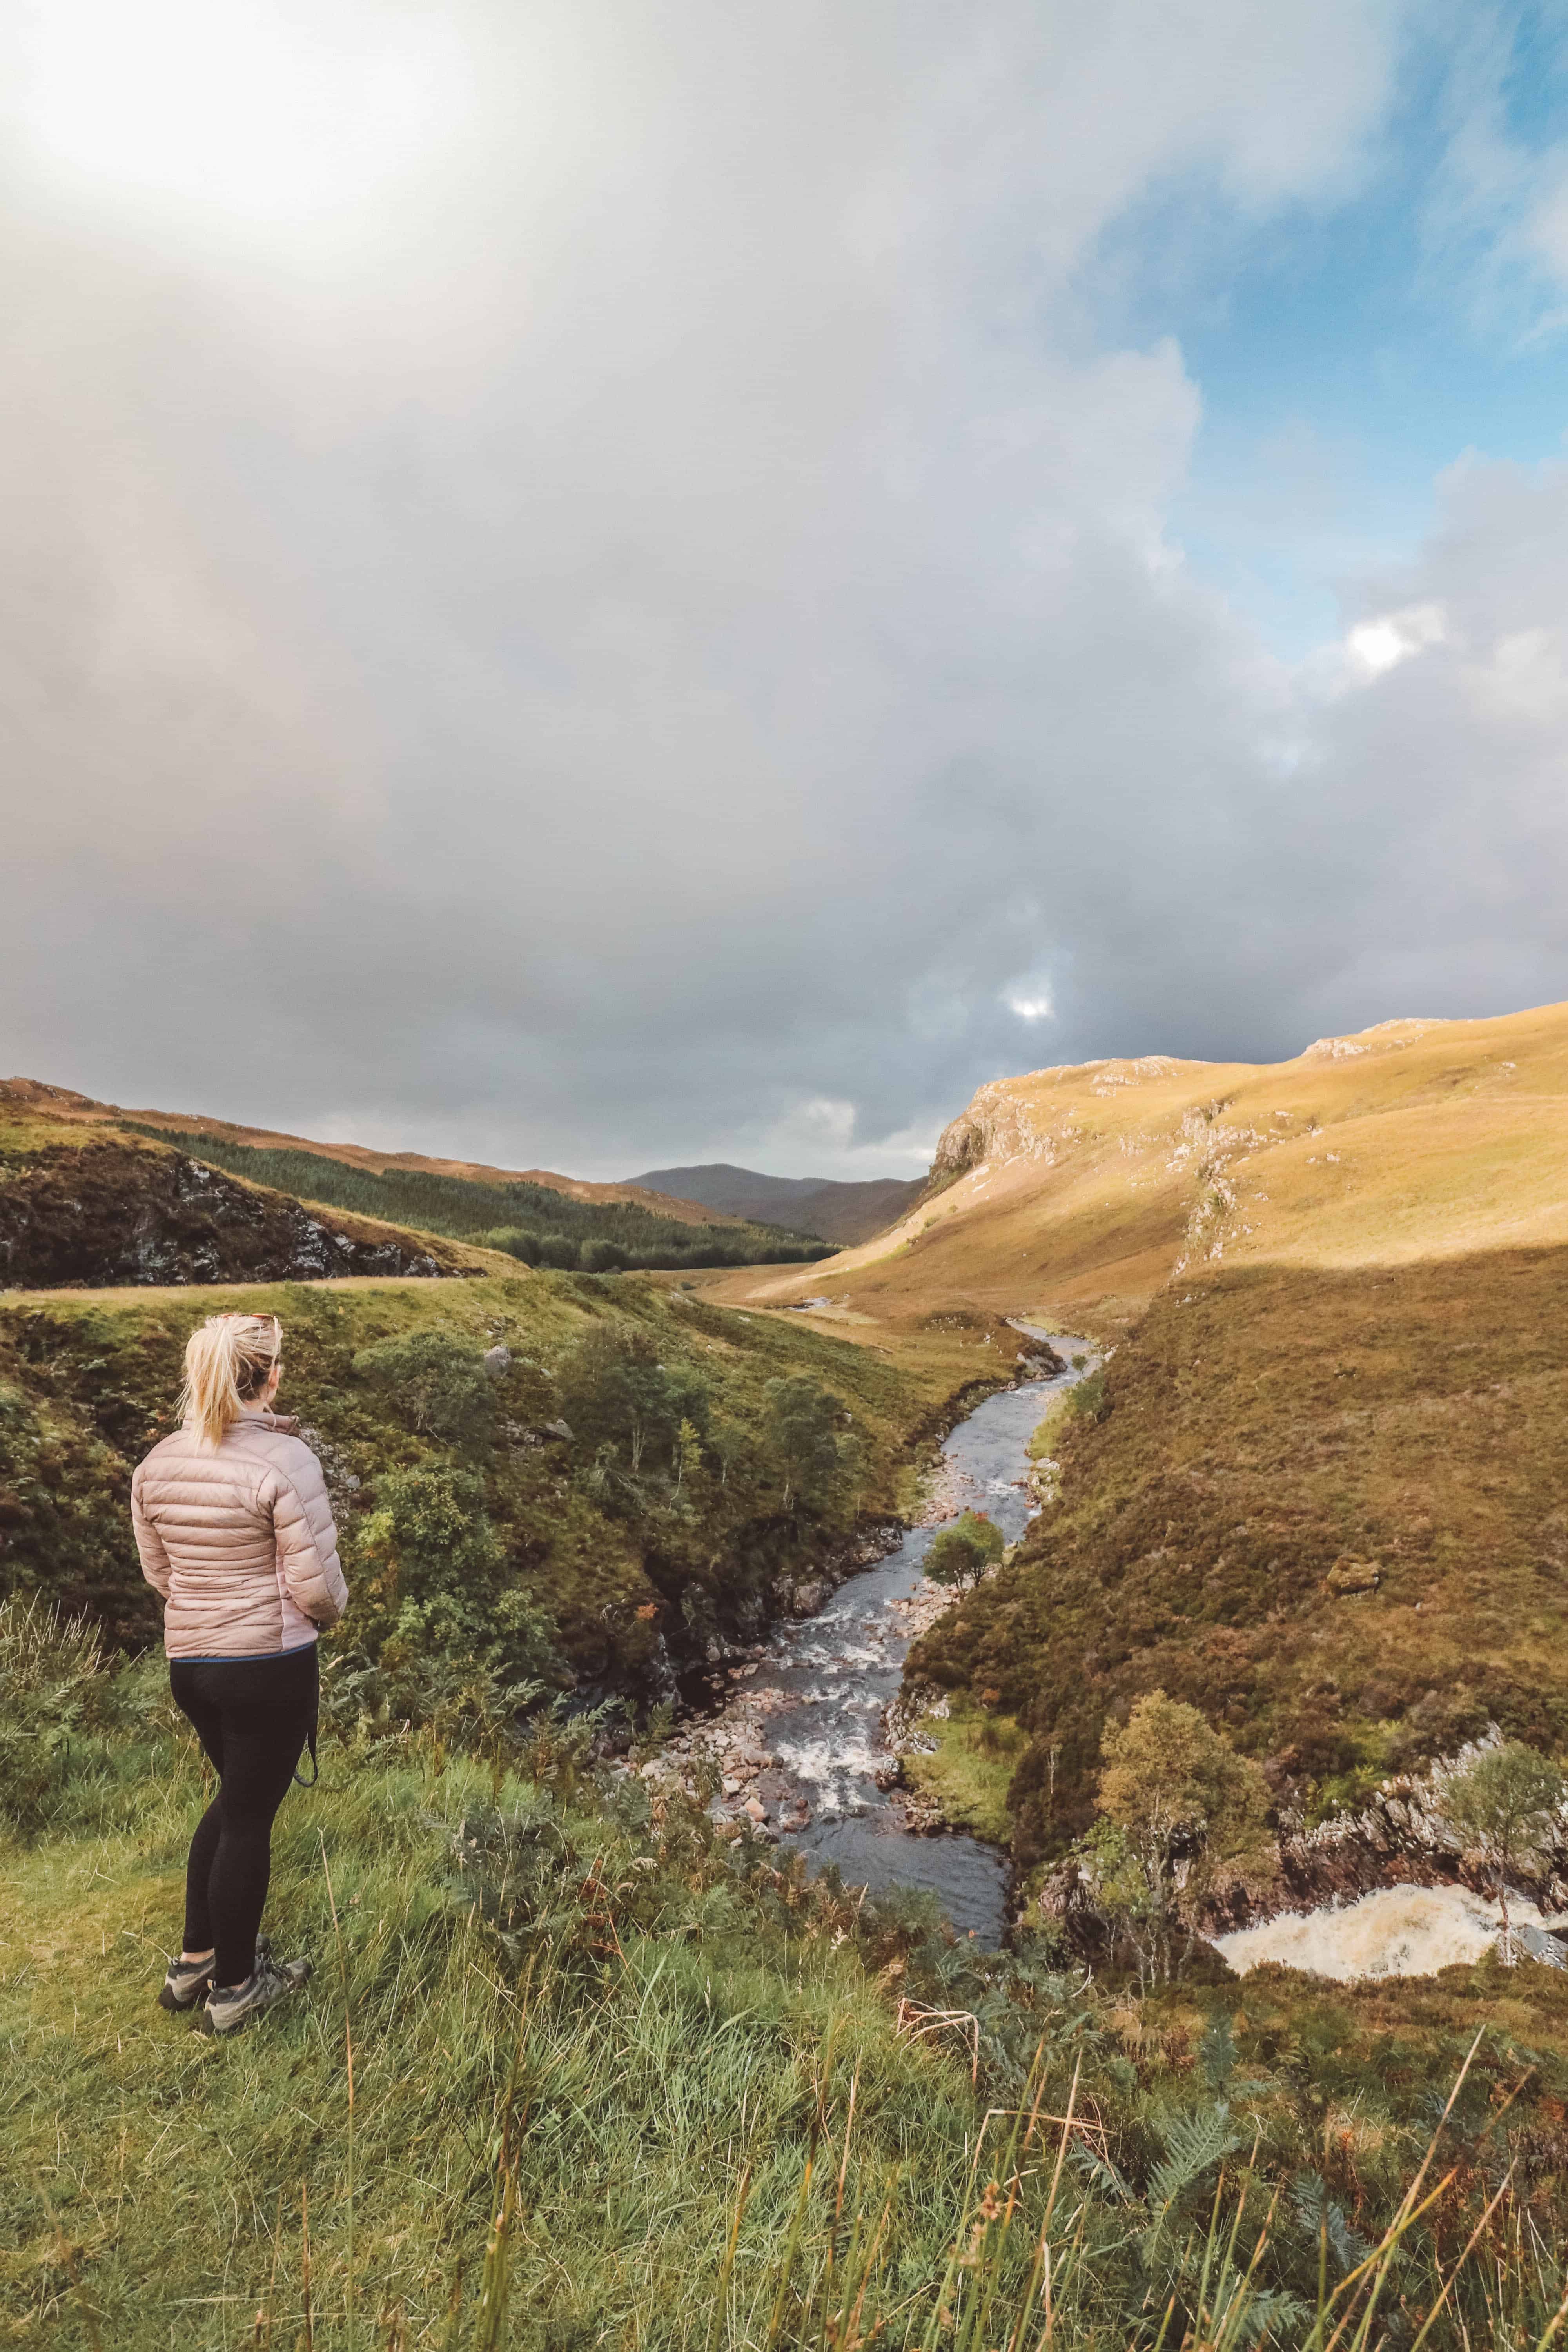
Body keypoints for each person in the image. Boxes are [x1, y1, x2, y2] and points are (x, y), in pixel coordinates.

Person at [131, 1311, 348, 2034]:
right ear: (271, 1376)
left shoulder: (157, 1462)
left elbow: (159, 1573)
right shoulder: (285, 1462)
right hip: (267, 1665)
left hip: (191, 1663)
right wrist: (325, 1618)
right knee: (250, 1819)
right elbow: (316, 1589)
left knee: (232, 1803)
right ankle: (235, 1990)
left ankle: (196, 1961)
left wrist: (207, 1610)